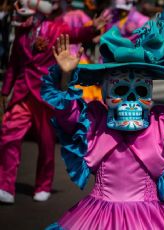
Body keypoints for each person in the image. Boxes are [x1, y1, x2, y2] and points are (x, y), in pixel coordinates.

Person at [41, 18, 164, 229]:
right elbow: (68, 115)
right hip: (98, 216)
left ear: (149, 95)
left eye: (141, 91)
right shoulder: (95, 123)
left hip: (147, 218)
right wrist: (65, 76)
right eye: (120, 90)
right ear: (105, 95)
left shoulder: (163, 125)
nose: (131, 100)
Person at [0, 0, 108, 204]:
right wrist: (6, 90)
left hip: (46, 95)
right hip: (23, 94)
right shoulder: (21, 36)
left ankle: (43, 185)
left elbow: (76, 33)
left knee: (46, 142)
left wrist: (93, 27)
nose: (19, 20)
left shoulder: (56, 28)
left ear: (37, 15)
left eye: (24, 16)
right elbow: (14, 64)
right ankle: (5, 185)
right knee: (8, 136)